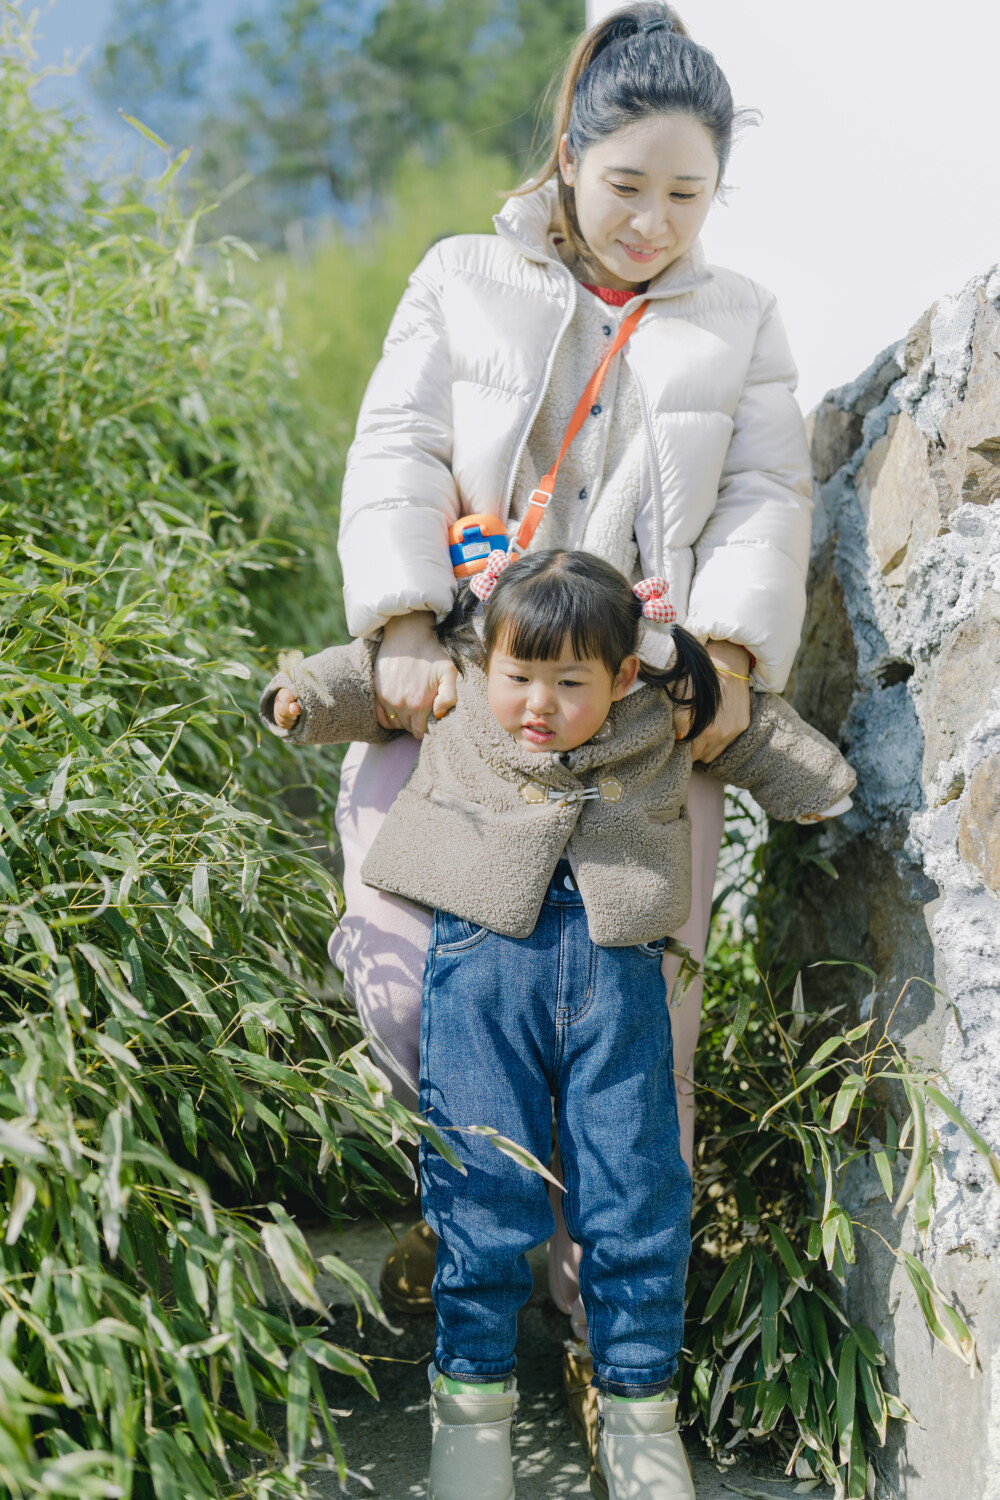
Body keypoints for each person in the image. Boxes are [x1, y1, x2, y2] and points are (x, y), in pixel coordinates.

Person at [331, 0, 814, 1472]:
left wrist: (722, 657)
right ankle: (491, 1252)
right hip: (469, 704)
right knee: (407, 988)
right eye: (629, 187)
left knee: (635, 1064)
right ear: (569, 155)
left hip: (637, 740)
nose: (656, 221)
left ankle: (614, 1362)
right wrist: (405, 622)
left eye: (689, 195)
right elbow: (398, 441)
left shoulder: (743, 319)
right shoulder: (462, 275)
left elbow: (767, 496)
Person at [260, 550, 854, 1500]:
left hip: (618, 992)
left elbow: (757, 737)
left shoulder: (664, 696)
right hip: (478, 982)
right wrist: (299, 698)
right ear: (486, 661)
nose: (538, 703)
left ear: (621, 675)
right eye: (520, 678)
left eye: (569, 683)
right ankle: (472, 1411)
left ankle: (639, 1407)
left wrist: (816, 783)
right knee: (481, 1188)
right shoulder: (462, 673)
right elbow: (365, 681)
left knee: (632, 1192)